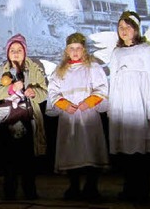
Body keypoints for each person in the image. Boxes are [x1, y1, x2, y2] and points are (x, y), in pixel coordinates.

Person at [46, 33, 109, 202]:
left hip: (88, 116)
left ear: (84, 50)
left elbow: (102, 88)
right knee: (71, 149)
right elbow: (53, 91)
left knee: (90, 148)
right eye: (71, 49)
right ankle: (73, 186)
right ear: (67, 51)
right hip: (69, 117)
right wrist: (63, 104)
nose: (75, 52)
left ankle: (91, 187)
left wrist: (89, 102)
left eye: (78, 48)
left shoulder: (93, 68)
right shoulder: (60, 71)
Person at [107, 11, 150, 203]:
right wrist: (112, 108)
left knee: (139, 150)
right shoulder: (116, 52)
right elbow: (113, 80)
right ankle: (128, 188)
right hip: (122, 104)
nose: (124, 30)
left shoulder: (146, 49)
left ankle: (142, 190)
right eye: (121, 27)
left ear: (136, 29)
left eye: (128, 26)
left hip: (139, 103)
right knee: (126, 151)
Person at [0, 33, 47, 200]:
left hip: (27, 118)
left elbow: (44, 93)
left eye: (19, 50)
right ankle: (9, 191)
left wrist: (34, 92)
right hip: (7, 119)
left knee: (28, 158)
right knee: (8, 157)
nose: (15, 53)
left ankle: (30, 191)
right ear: (7, 53)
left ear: (25, 51)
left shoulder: (34, 69)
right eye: (12, 50)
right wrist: (12, 88)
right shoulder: (1, 71)